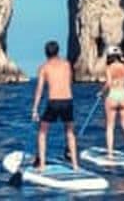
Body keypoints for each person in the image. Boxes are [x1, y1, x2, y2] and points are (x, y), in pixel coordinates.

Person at [31, 40, 79, 170]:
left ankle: (42, 165)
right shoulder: (67, 64)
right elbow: (69, 82)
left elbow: (40, 89)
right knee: (70, 132)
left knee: (42, 132)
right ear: (58, 51)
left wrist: (35, 109)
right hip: (67, 101)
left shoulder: (44, 67)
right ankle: (75, 165)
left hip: (54, 102)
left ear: (46, 53)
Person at [98, 45, 124, 159]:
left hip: (112, 96)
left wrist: (101, 92)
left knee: (110, 126)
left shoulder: (109, 67)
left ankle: (110, 154)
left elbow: (109, 83)